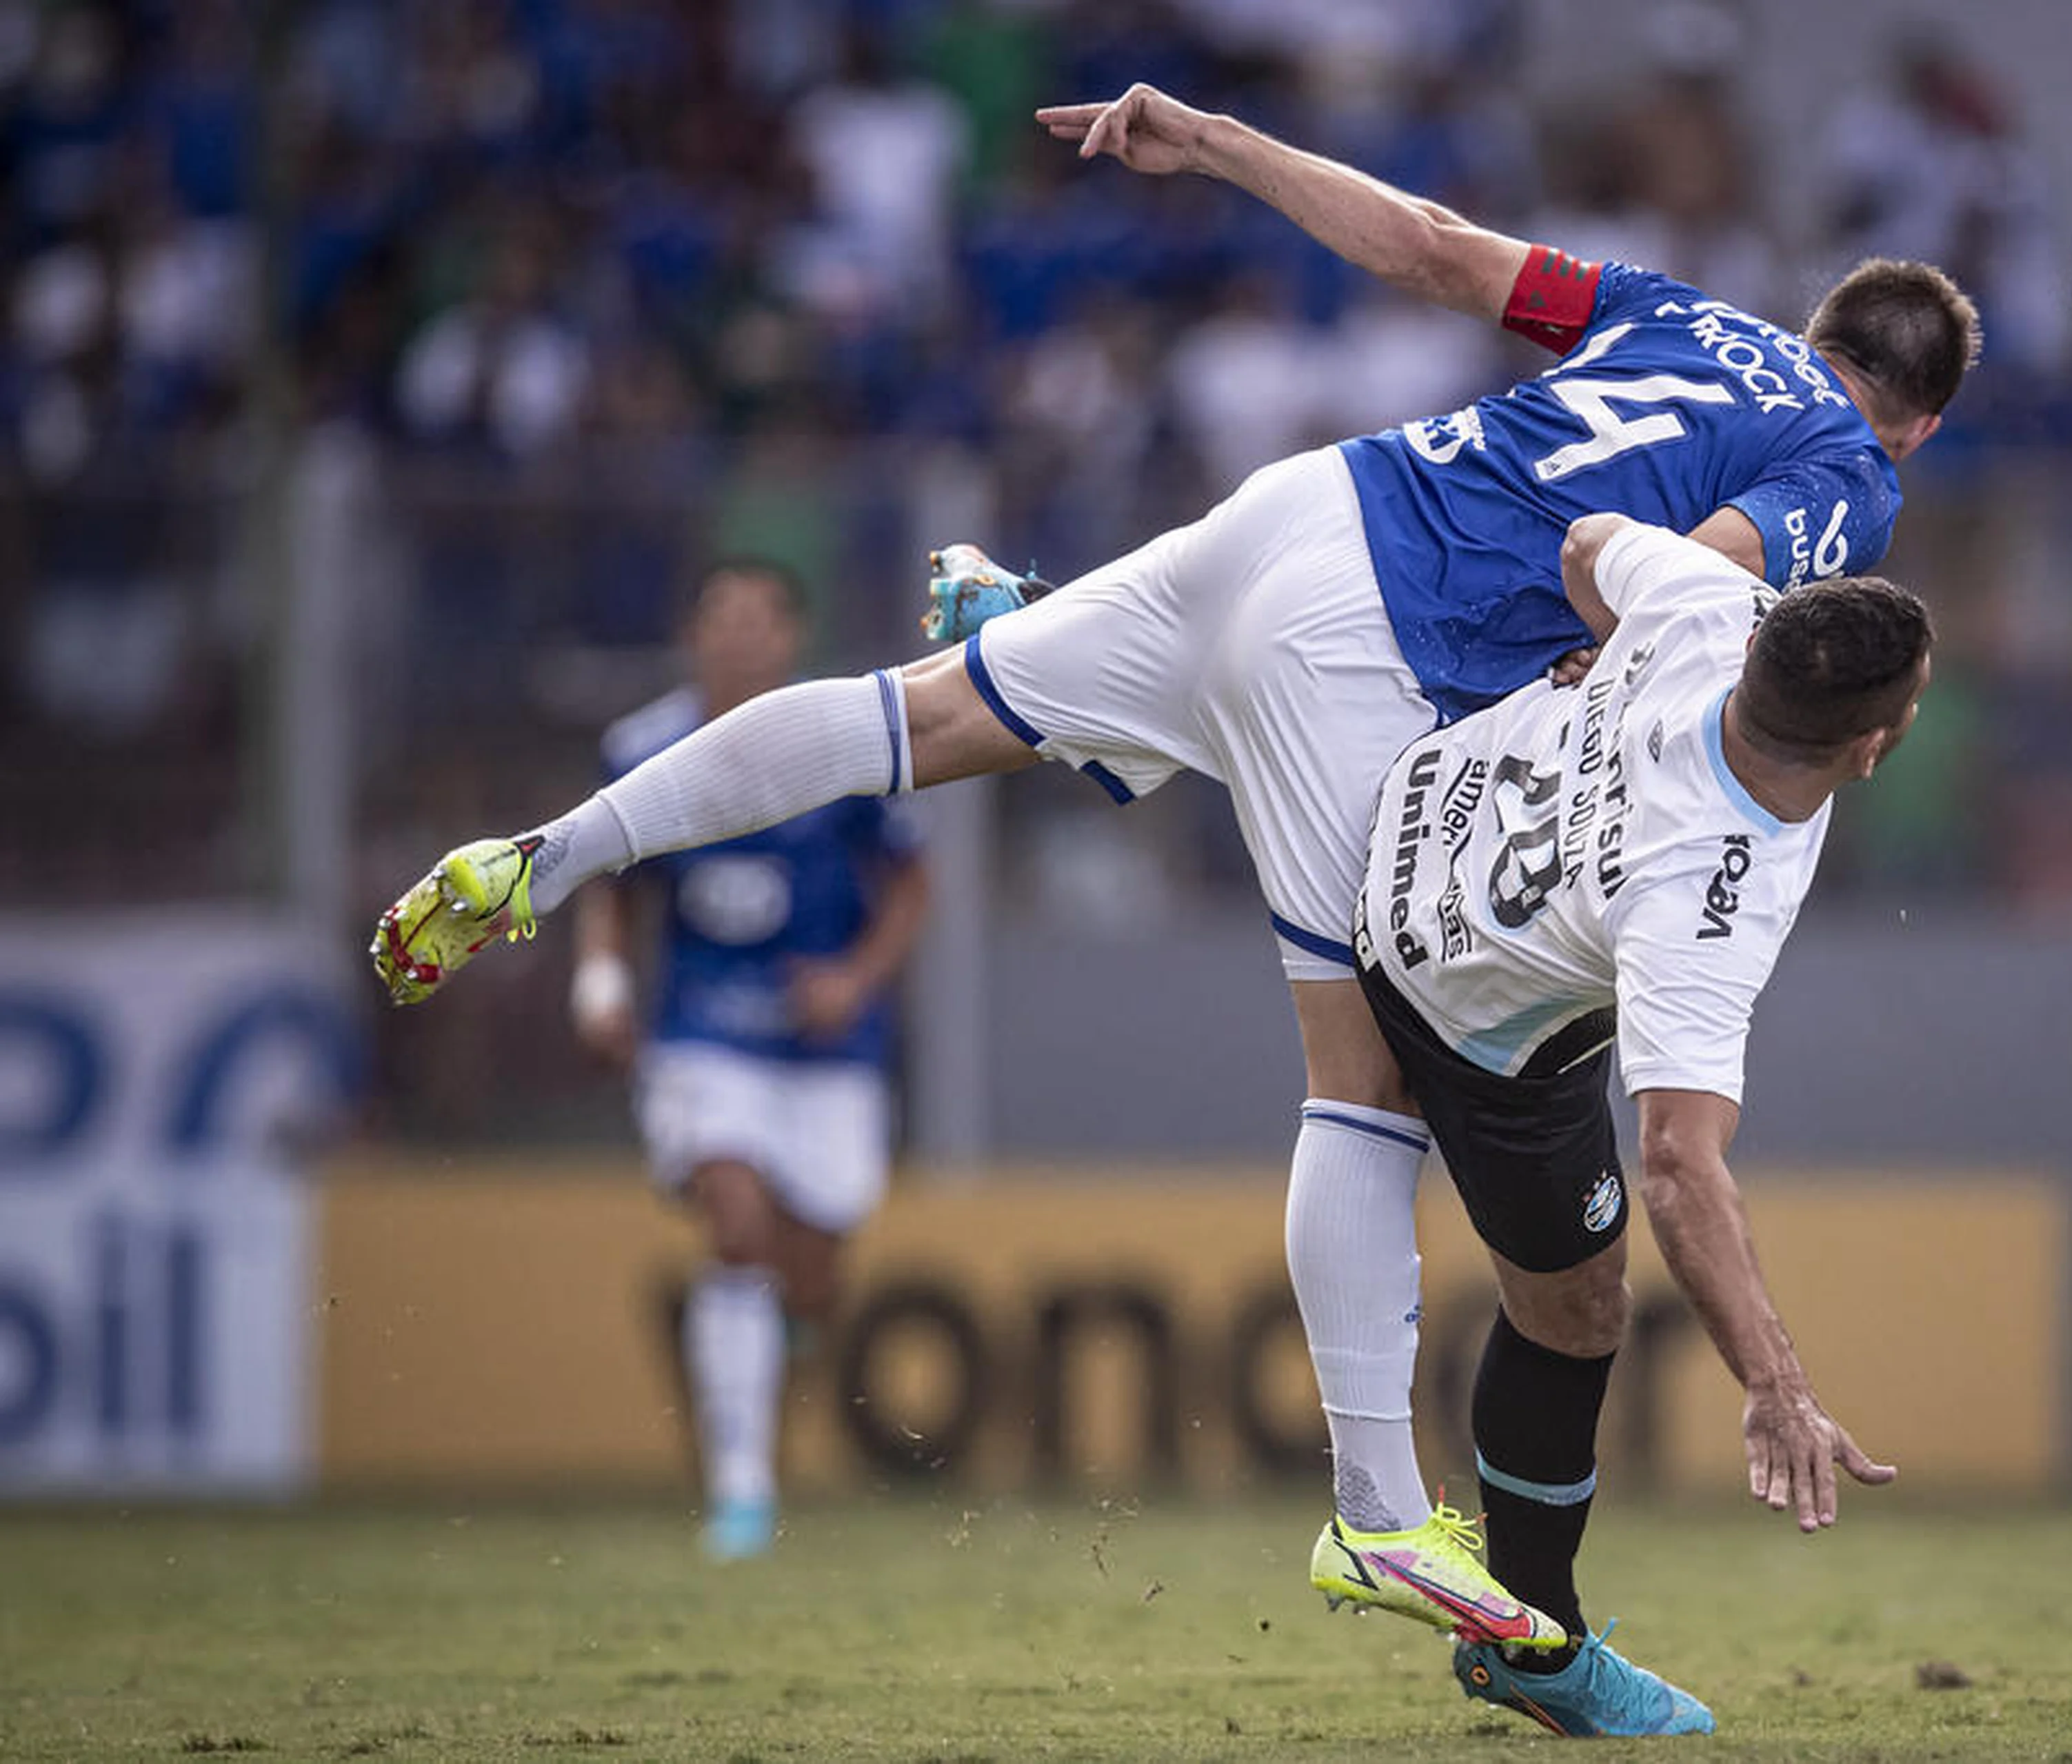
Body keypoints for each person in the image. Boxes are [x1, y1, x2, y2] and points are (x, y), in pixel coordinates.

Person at [370, 82, 1976, 1648]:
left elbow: (1425, 244)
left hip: (1305, 507)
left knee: (904, 718)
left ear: (1819, 322)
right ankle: (1371, 1507)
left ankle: (550, 854)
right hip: (1377, 652)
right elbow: (1693, 597)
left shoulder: (1682, 312)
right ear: (1916, 412)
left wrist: (1212, 141)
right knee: (1366, 1079)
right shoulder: (1855, 472)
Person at [1354, 511, 1928, 1734]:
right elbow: (1675, 1163)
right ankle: (1533, 1641)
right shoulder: (1707, 897)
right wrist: (1776, 1386)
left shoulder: (1713, 608)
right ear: (1873, 747)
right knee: (1579, 1310)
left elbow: (1587, 541)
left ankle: (1515, 1613)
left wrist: (1603, 645)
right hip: (1464, 991)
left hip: (1421, 799)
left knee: (1572, 1282)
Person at [570, 559, 931, 1560]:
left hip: (826, 1046)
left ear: (790, 639)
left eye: (759, 620)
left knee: (810, 1273)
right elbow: (607, 881)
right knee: (736, 1225)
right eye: (719, 617)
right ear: (693, 635)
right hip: (704, 1033)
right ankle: (739, 1489)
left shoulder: (843, 739)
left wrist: (856, 981)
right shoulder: (641, 748)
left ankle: (763, 1365)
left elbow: (910, 882)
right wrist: (600, 984)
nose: (738, 637)